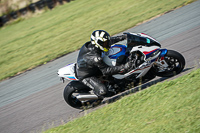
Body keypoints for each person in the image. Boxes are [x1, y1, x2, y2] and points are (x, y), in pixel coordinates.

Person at [76, 30, 134, 98]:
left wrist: (123, 37)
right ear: (98, 43)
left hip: (93, 66)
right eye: (105, 43)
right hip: (87, 75)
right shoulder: (95, 57)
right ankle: (95, 95)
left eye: (106, 42)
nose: (107, 44)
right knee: (103, 91)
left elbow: (109, 41)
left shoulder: (95, 44)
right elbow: (106, 71)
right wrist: (124, 67)